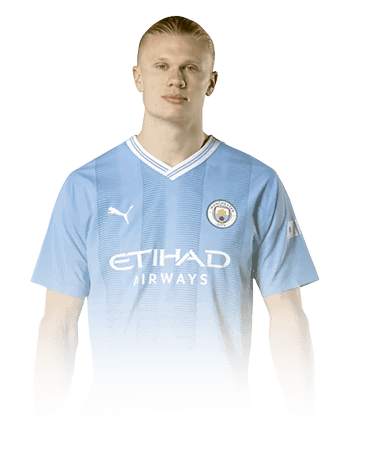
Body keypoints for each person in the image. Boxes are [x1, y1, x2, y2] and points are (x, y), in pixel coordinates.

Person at [31, 15, 319, 424]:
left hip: (222, 413)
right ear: (138, 77)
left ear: (211, 82)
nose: (176, 80)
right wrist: (46, 416)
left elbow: (288, 315)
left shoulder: (257, 181)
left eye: (190, 68)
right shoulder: (86, 185)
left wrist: (303, 416)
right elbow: (59, 321)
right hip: (112, 414)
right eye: (162, 66)